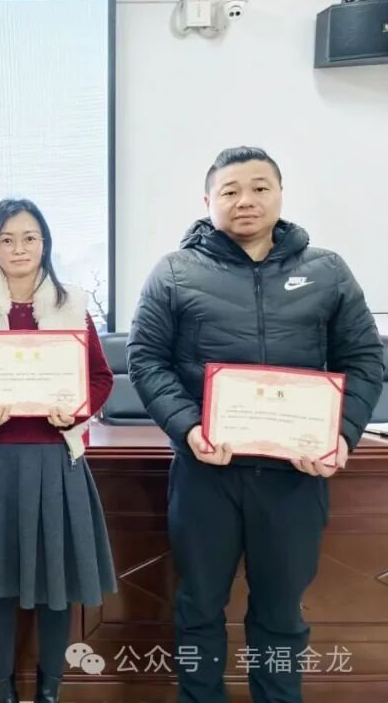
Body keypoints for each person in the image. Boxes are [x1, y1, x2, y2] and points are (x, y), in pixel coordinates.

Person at [126, 146, 384, 703]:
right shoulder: (174, 272)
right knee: (198, 607)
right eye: (230, 190)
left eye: (260, 187)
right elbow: (146, 360)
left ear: (281, 194)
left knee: (281, 613)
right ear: (208, 201)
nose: (246, 200)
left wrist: (340, 435)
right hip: (206, 472)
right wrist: (189, 428)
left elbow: (365, 359)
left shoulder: (327, 271)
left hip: (294, 475)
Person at [0, 198, 116, 703]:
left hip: (57, 457)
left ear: (45, 244)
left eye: (29, 238)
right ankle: (3, 690)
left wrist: (77, 411)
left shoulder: (72, 303)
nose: (18, 248)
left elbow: (100, 378)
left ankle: (49, 690)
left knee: (55, 586)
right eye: (6, 239)